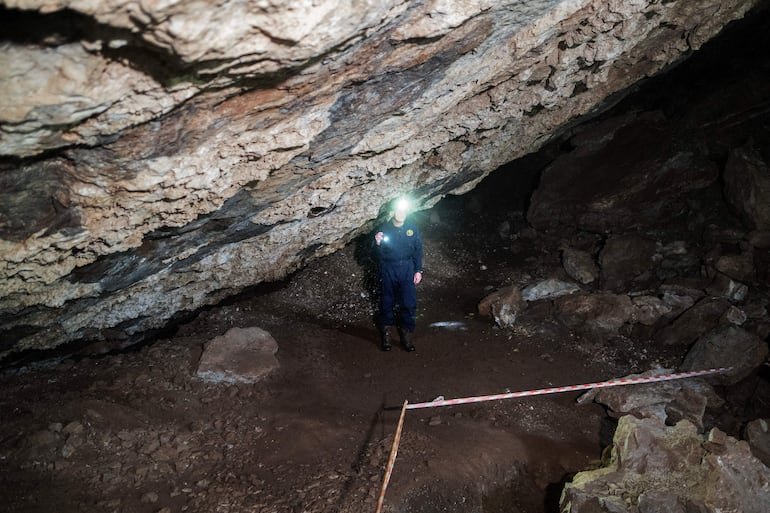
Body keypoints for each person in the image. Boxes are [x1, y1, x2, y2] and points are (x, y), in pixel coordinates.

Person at [373, 197, 423, 352]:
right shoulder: (383, 230)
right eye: (398, 210)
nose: (401, 213)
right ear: (392, 211)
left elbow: (418, 250)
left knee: (408, 302)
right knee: (387, 302)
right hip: (388, 268)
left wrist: (418, 270)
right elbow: (374, 255)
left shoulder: (412, 228)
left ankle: (406, 333)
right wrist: (377, 244)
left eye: (403, 210)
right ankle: (386, 334)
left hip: (407, 268)